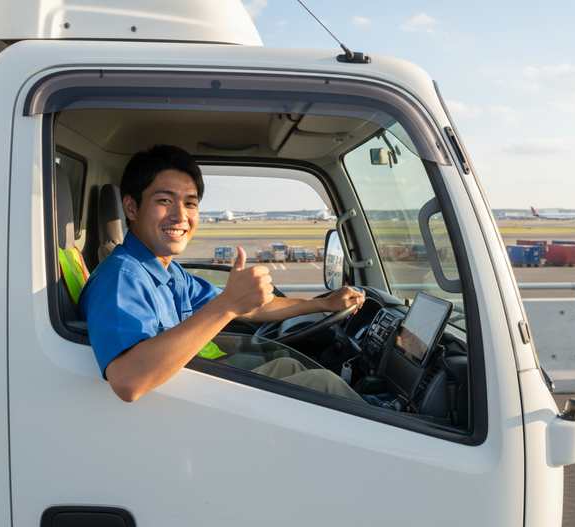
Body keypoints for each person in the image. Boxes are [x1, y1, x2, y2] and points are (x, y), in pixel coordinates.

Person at [78, 144, 365, 403]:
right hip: (181, 402)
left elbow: (247, 309)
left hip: (192, 381)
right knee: (323, 383)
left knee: (289, 366)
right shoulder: (122, 278)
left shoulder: (166, 269)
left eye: (190, 203)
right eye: (164, 201)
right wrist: (227, 306)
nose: (181, 215)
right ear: (131, 207)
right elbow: (127, 381)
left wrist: (322, 304)